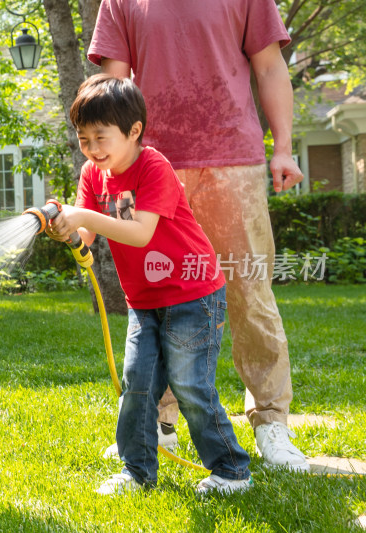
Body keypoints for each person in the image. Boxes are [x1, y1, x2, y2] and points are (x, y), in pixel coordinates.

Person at [88, 0, 309, 472]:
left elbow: (269, 66)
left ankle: (272, 424)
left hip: (234, 157)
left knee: (249, 288)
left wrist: (284, 147)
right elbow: (111, 85)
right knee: (152, 292)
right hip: (144, 166)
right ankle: (157, 422)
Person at [47, 73, 251, 495]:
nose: (92, 149)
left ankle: (232, 471)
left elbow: (140, 232)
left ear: (134, 131)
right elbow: (86, 235)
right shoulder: (92, 173)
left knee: (191, 385)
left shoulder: (152, 166)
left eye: (101, 137)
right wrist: (65, 227)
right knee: (138, 385)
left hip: (193, 294)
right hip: (143, 299)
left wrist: (82, 216)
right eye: (84, 139)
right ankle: (137, 472)